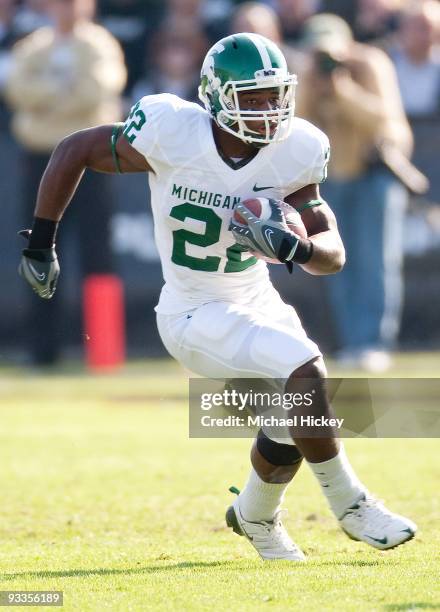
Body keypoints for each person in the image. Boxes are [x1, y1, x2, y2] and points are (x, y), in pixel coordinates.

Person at [18, 32, 416, 560]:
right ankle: (350, 502)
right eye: (251, 98)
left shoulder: (296, 147)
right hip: (191, 309)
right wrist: (42, 242)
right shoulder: (172, 131)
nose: (267, 110)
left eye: (274, 95)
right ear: (215, 95)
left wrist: (295, 246)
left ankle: (254, 515)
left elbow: (332, 254)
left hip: (255, 299)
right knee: (304, 368)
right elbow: (75, 149)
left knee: (292, 415)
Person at [6, 0, 127, 365]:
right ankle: (43, 352)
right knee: (39, 249)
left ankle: (104, 351)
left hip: (93, 163)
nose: (66, 9)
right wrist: (65, 90)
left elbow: (96, 92)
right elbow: (16, 90)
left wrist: (46, 97)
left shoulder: (100, 44)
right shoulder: (32, 46)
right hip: (41, 159)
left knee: (98, 254)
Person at [295, 14, 413, 371]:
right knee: (336, 263)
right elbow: (299, 126)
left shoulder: (370, 64)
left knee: (376, 260)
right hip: (333, 178)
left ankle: (373, 342)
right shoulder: (308, 73)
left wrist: (343, 89)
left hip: (374, 173)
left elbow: (382, 119)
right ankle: (350, 342)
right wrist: (312, 85)